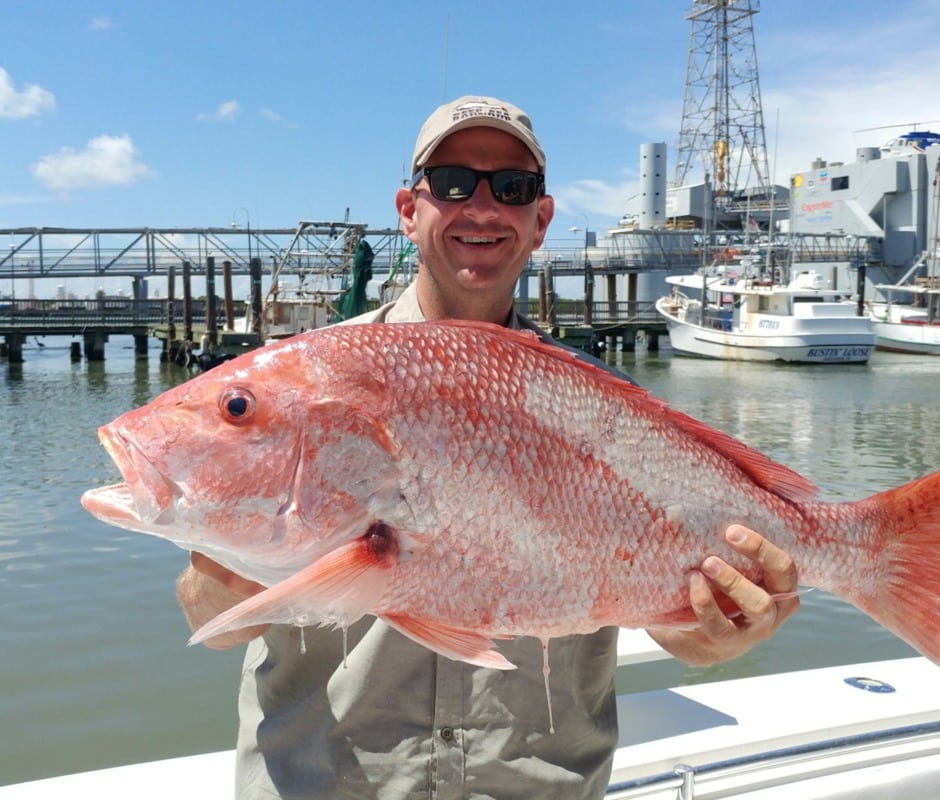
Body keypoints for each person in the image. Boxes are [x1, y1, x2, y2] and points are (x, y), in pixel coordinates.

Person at [177, 95, 800, 799]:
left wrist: (718, 632)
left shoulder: (607, 406)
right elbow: (211, 619)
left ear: (540, 220)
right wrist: (224, 583)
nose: (481, 206)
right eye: (450, 183)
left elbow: (679, 631)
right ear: (409, 210)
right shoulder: (310, 382)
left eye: (512, 187)